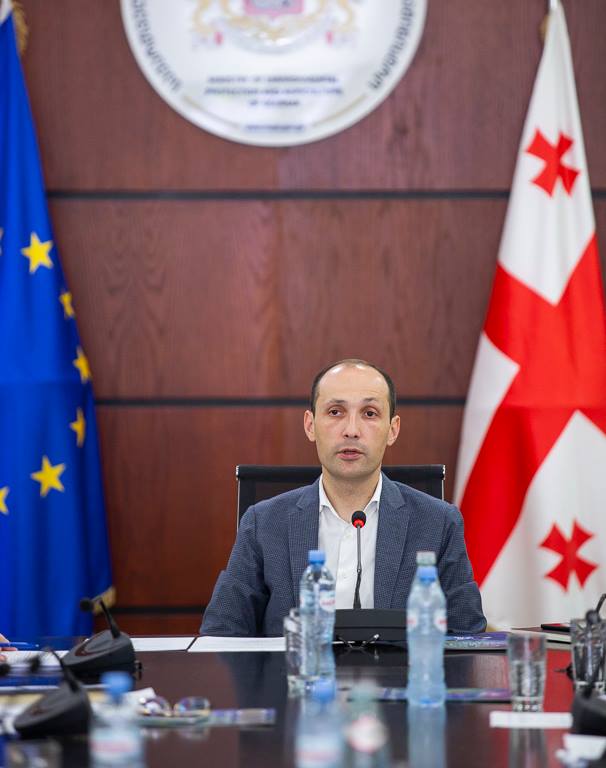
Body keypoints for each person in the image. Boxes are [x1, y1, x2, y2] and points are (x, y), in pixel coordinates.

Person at [201, 359, 486, 636]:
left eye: (369, 413)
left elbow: (467, 635)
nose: (351, 430)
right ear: (310, 425)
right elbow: (220, 633)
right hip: (293, 670)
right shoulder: (263, 523)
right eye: (335, 412)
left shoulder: (438, 523)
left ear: (393, 429)